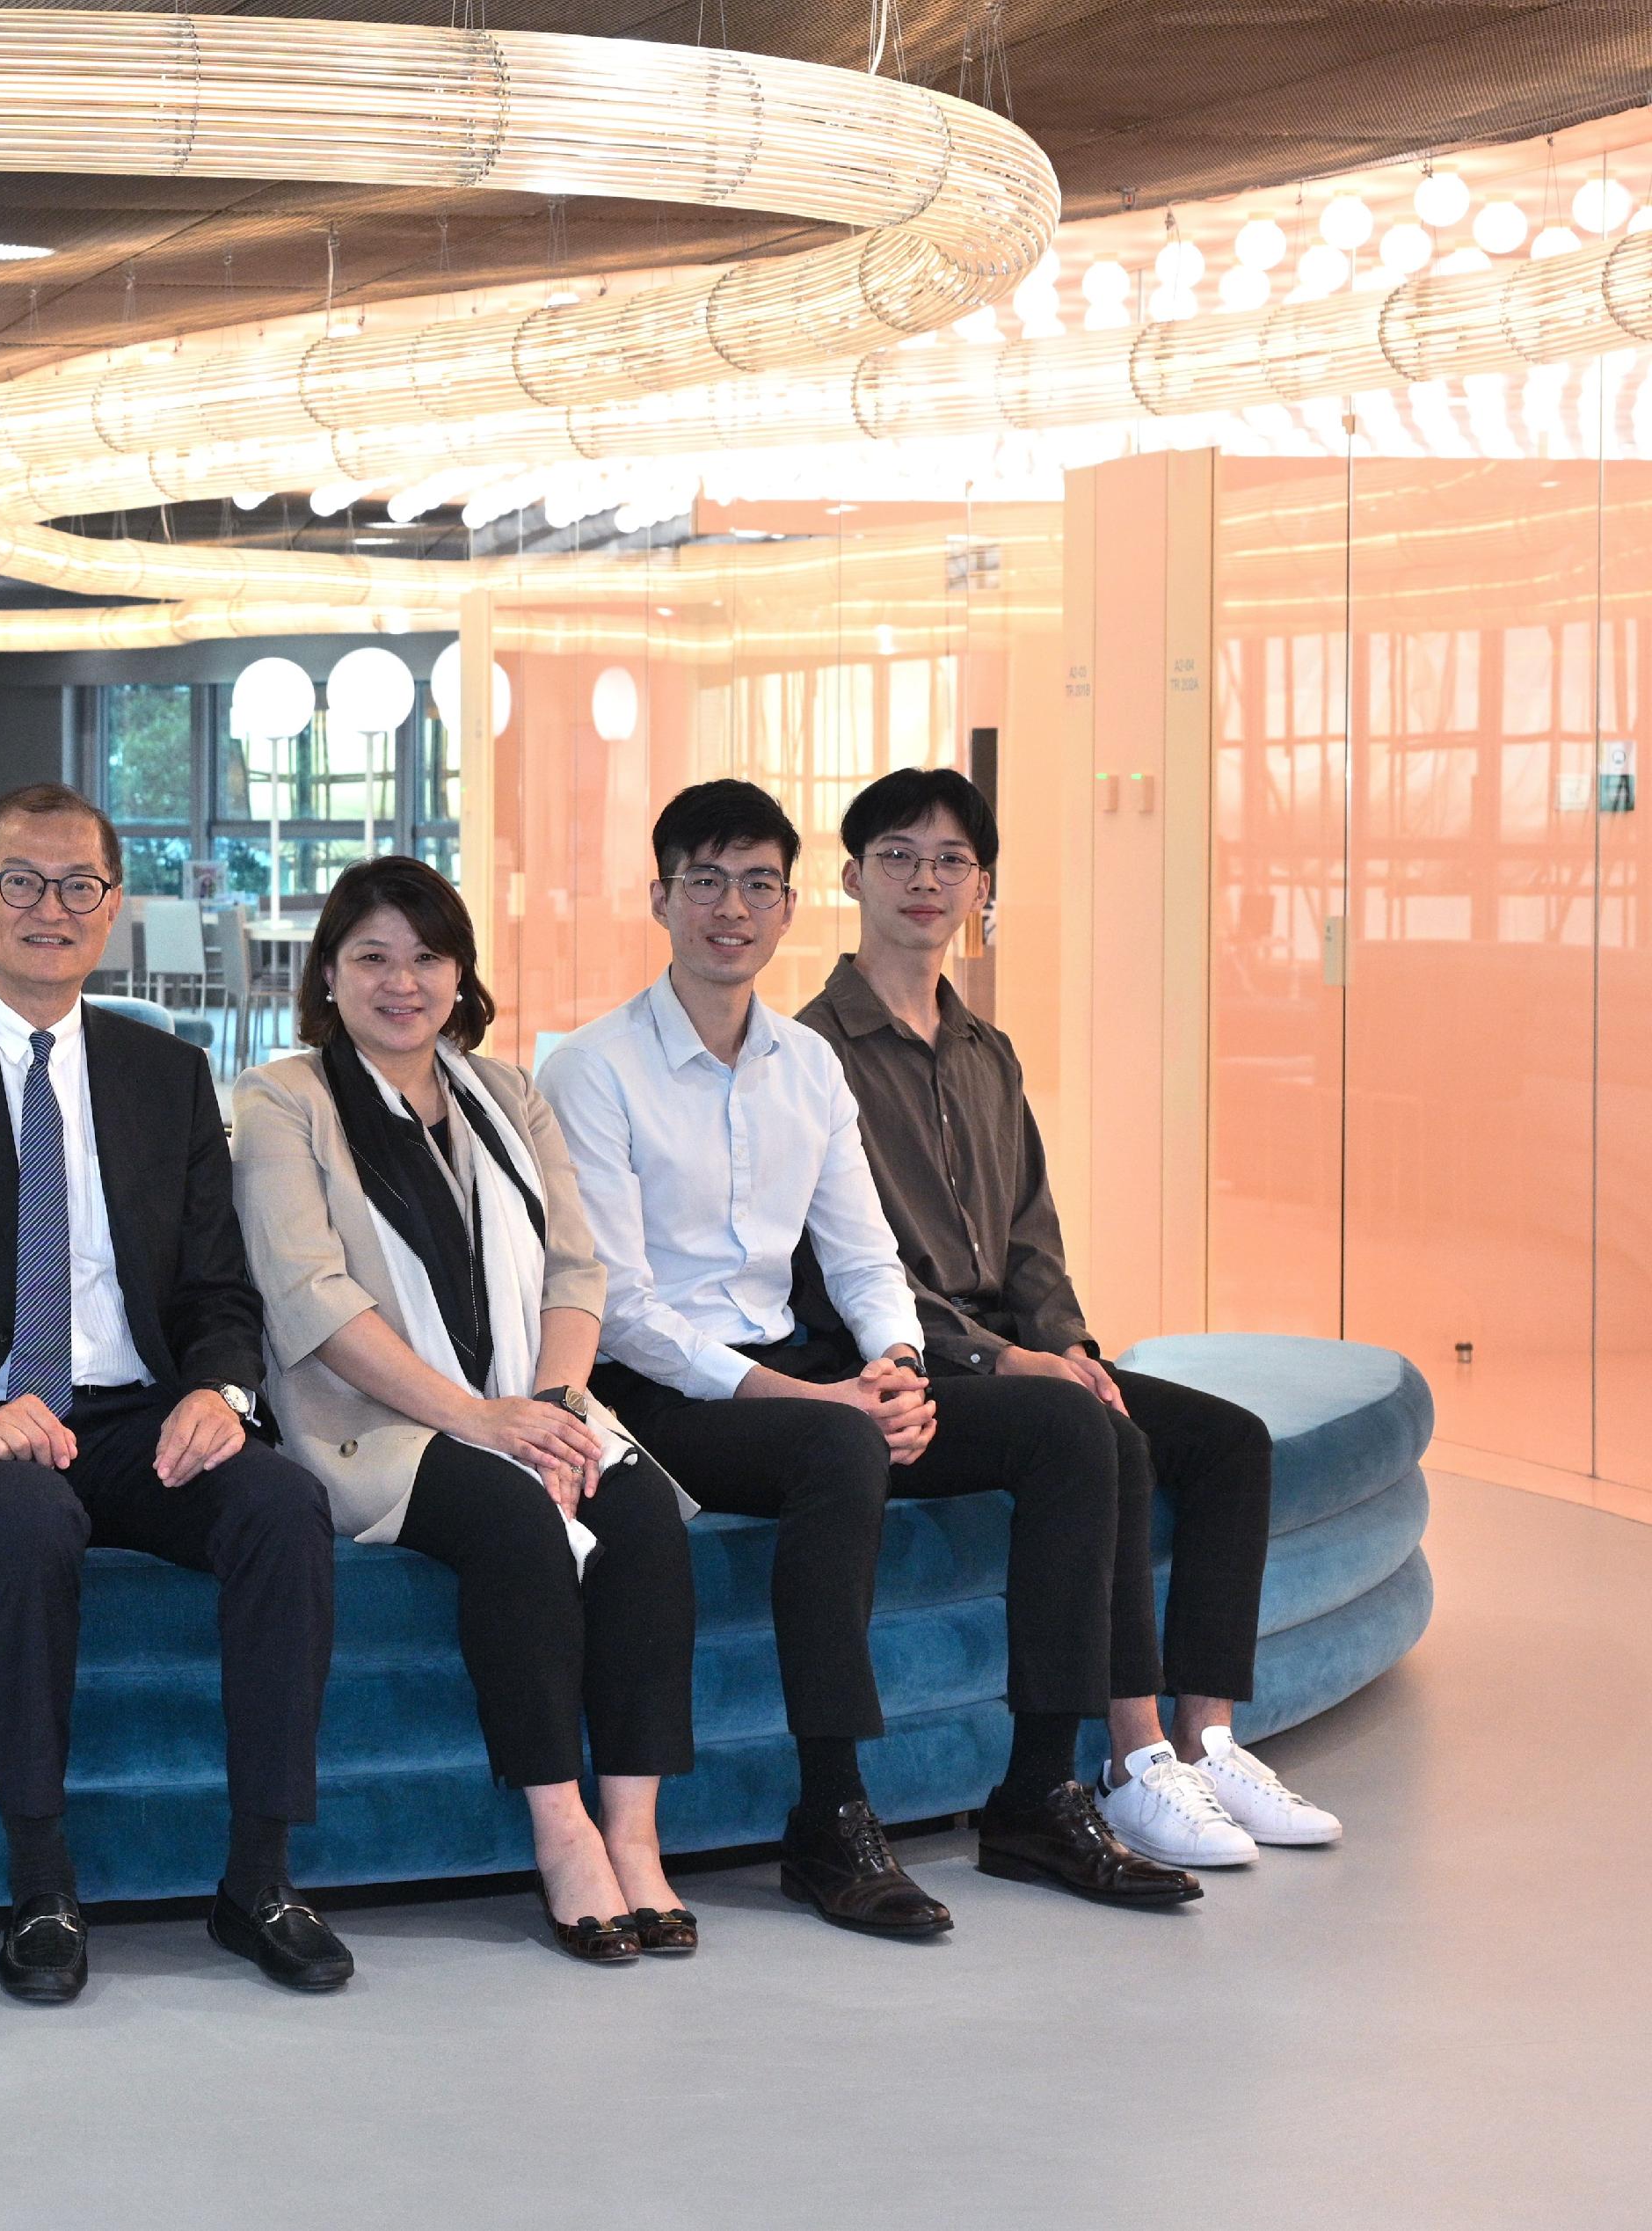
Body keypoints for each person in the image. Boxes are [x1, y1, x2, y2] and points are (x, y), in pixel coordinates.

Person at [537, 779, 1200, 1936]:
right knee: (836, 1440)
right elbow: (623, 1305)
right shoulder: (594, 1068)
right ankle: (830, 1815)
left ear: (791, 905)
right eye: (706, 880)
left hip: (801, 1369)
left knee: (1073, 1425)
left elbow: (862, 1254)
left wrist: (896, 1361)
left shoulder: (806, 1065)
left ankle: (1039, 1790)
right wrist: (815, 1395)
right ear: (661, 897)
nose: (731, 907)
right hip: (659, 1389)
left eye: (756, 884)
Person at [0, 784, 348, 2005]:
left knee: (279, 1504)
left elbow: (220, 1286)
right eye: (19, 880)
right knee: (24, 1517)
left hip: (135, 1416)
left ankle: (258, 1875)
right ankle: (42, 1880)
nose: (48, 908)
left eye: (78, 886)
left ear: (113, 907)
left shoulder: (166, 1073)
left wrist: (220, 1388)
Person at [804, 768, 1338, 1865]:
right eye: (898, 855)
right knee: (1103, 1433)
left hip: (1014, 1346)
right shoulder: (813, 1052)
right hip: (914, 1355)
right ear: (852, 875)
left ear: (981, 884)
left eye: (951, 859)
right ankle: (1132, 1754)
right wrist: (1004, 1360)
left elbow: (1031, 1232)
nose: (925, 879)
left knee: (1228, 1442)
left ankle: (1205, 1737)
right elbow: (843, 1269)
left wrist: (1071, 1347)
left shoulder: (985, 1049)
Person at [230, 859, 700, 1965]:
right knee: (512, 1517)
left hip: (533, 1398)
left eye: (426, 957)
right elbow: (311, 1296)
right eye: (372, 958)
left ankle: (634, 1831)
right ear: (330, 976)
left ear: (459, 973)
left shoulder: (508, 1092)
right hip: (374, 1421)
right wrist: (476, 1418)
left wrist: (546, 1407)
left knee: (637, 1517)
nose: (402, 982)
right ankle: (560, 1830)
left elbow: (575, 1273)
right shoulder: (281, 1099)